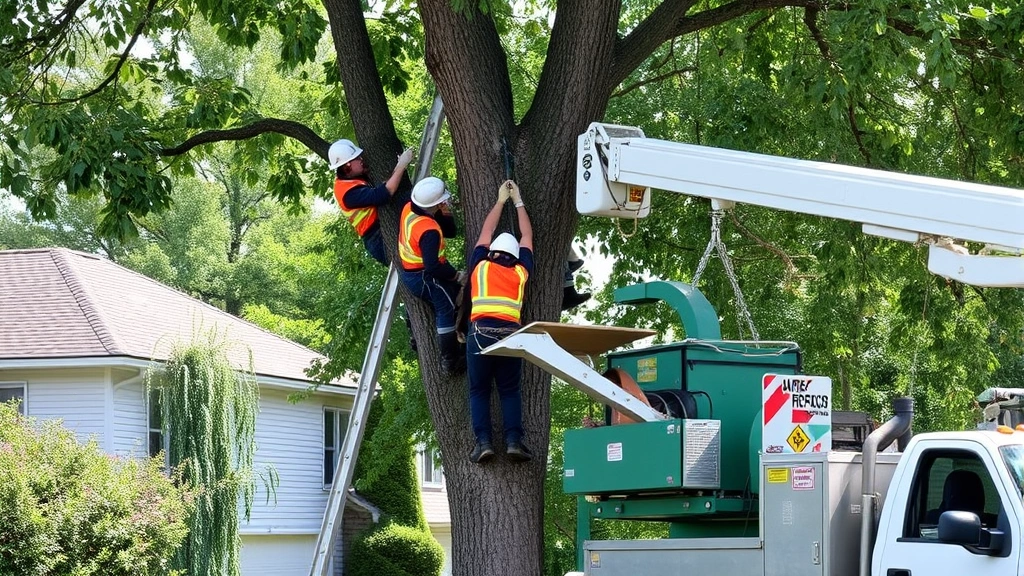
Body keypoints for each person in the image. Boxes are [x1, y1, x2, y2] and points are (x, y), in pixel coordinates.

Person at [465, 180, 534, 464]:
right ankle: (514, 441)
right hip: (510, 337)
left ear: (491, 251)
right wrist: (518, 202)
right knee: (509, 390)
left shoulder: (479, 267)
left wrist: (499, 202)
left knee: (479, 390)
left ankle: (483, 444)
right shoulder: (521, 271)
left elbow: (486, 231)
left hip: (480, 335)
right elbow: (527, 235)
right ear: (515, 255)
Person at [397, 176, 465, 375]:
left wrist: (443, 210)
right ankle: (449, 361)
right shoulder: (429, 231)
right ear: (434, 204)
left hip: (414, 271)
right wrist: (456, 276)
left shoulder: (409, 207)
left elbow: (451, 231)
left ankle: (415, 334)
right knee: (446, 308)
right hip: (424, 276)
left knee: (454, 295)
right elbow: (434, 266)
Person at [328, 138, 414, 266]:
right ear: (348, 165)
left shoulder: (351, 180)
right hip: (377, 239)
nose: (361, 160)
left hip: (379, 231)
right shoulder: (348, 193)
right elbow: (384, 193)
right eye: (357, 158)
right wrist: (401, 166)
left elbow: (384, 187)